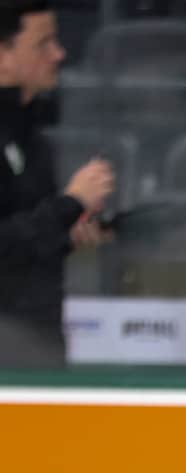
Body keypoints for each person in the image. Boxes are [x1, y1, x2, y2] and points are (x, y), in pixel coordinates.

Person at [0, 0, 112, 368]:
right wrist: (70, 203)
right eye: (43, 44)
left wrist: (68, 234)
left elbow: (21, 244)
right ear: (3, 55)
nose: (59, 54)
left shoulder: (32, 137)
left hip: (35, 347)